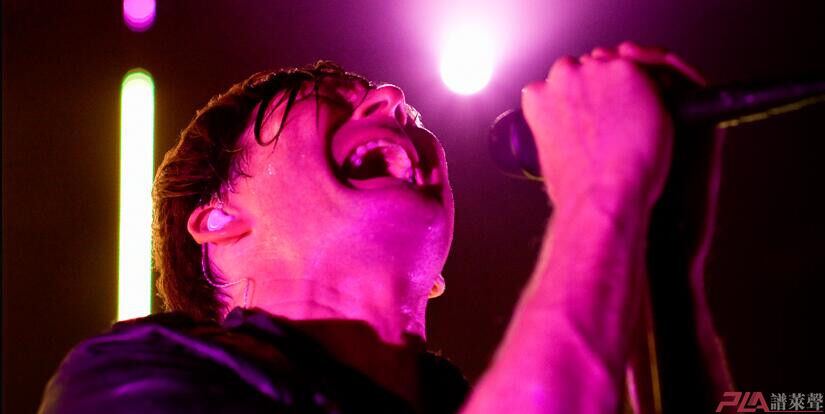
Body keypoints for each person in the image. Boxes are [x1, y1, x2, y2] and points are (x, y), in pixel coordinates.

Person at [39, 42, 729, 413]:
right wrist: (599, 193)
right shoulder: (131, 381)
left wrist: (657, 259)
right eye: (322, 101)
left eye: (395, 105)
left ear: (436, 279)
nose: (393, 97)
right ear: (219, 219)